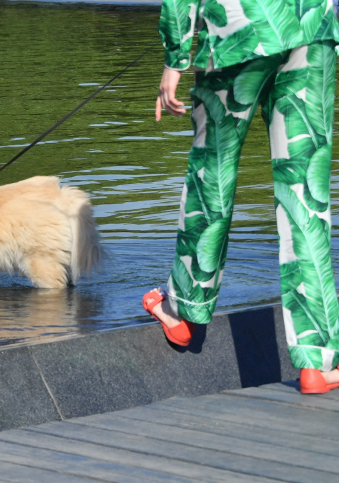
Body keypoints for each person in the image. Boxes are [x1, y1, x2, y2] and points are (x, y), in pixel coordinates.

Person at [146, 0, 339, 394]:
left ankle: (181, 311)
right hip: (312, 23)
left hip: (241, 27)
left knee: (212, 173)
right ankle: (317, 360)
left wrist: (175, 58)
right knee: (306, 193)